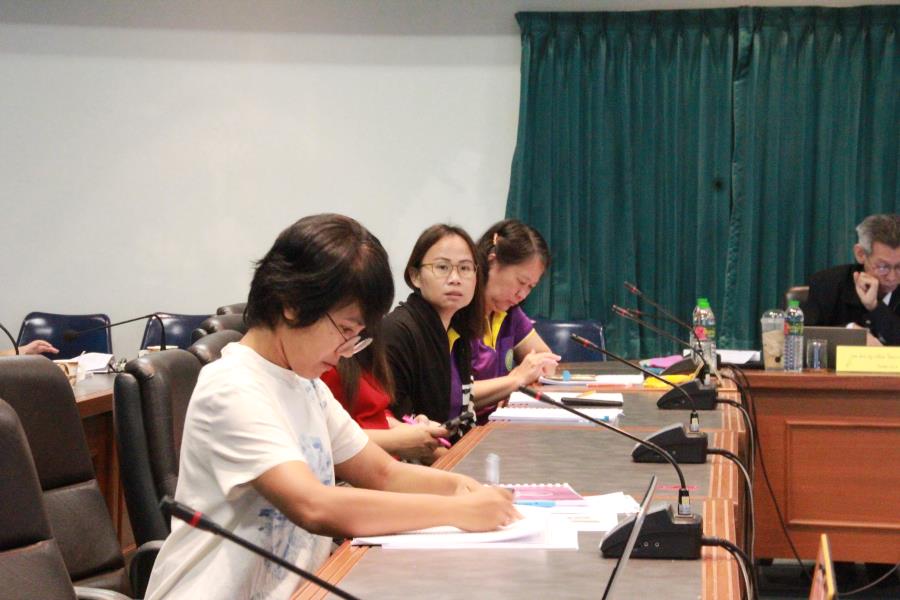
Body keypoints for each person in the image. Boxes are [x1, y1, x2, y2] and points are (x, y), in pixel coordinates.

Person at [144, 214, 517, 600]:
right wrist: (457, 512)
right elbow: (314, 505)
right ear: (292, 305)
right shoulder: (233, 387)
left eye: (358, 336)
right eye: (345, 330)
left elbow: (383, 473)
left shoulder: (305, 383)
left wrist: (461, 488)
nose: (346, 352)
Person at [382, 224, 483, 427]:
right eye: (442, 267)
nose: (455, 279)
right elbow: (395, 420)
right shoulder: (396, 332)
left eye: (464, 268)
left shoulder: (458, 331)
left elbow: (464, 415)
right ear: (415, 276)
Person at [469, 219, 560, 415]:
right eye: (521, 281)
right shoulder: (457, 312)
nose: (522, 295)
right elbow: (453, 395)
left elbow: (544, 358)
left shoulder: (509, 312)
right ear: (492, 260)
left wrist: (523, 378)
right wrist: (513, 381)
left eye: (530, 287)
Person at [321, 339, 449, 464]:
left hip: (385, 461)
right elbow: (327, 439)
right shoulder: (323, 366)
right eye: (345, 329)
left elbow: (375, 411)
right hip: (357, 467)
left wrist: (414, 433)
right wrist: (398, 439)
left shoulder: (367, 347)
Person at [803, 214, 900, 345]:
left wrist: (875, 307)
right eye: (882, 267)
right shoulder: (827, 284)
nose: (892, 277)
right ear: (861, 254)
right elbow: (800, 337)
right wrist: (848, 334)